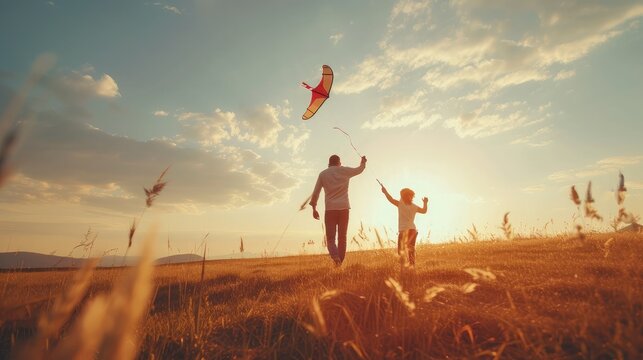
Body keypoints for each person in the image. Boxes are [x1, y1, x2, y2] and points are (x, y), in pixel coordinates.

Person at [310, 154, 367, 265]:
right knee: (342, 237)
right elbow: (359, 170)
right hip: (344, 208)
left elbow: (316, 192)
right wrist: (363, 162)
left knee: (330, 238)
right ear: (339, 163)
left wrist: (314, 208)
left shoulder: (323, 174)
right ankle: (339, 261)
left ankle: (336, 258)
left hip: (330, 209)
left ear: (329, 163)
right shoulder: (344, 171)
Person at [380, 185, 428, 267]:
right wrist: (425, 203)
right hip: (413, 230)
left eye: (402, 195)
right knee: (411, 249)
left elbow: (390, 199)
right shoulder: (414, 206)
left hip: (404, 231)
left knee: (401, 251)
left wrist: (385, 192)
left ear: (403, 196)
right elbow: (424, 211)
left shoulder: (400, 204)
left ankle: (405, 267)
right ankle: (411, 266)